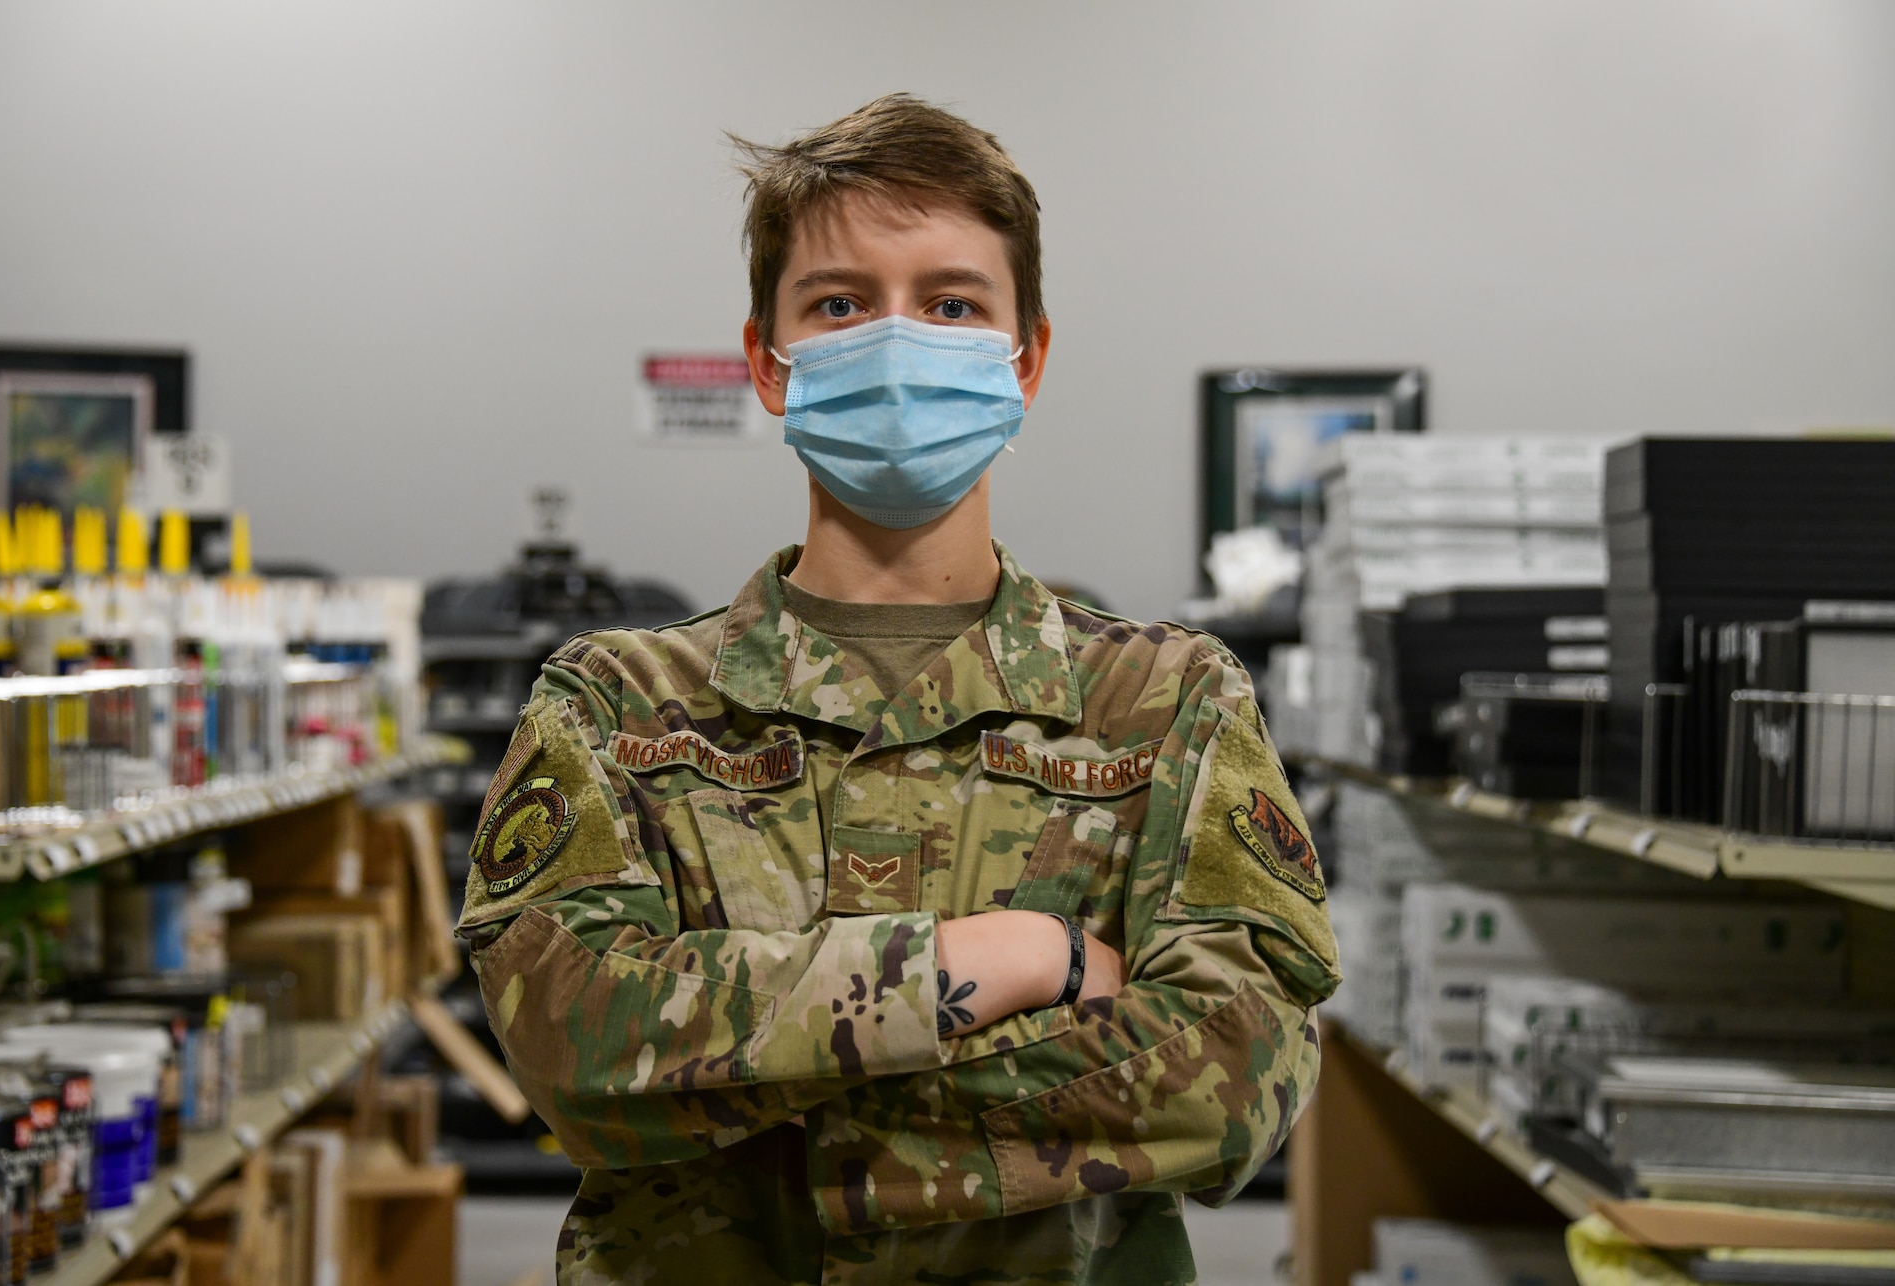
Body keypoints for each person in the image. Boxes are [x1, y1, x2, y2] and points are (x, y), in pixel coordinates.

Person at [456, 93, 1341, 1286]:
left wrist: (771, 1104)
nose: (895, 336)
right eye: (838, 303)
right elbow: (575, 1051)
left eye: (949, 303)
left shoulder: (1164, 702)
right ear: (769, 366)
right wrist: (1019, 957)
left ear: (1022, 358)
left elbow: (1232, 1075)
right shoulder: (616, 707)